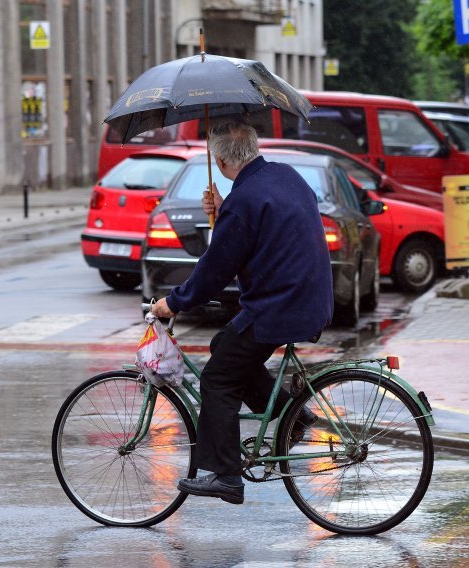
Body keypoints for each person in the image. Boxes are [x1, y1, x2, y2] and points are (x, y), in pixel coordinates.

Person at [151, 118, 333, 505]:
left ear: (218, 161)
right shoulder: (283, 175)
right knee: (226, 346)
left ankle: (226, 476)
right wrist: (225, 207)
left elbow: (215, 271)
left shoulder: (246, 200)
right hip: (306, 297)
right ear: (253, 148)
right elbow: (267, 224)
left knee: (217, 377)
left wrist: (174, 302)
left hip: (280, 305)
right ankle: (292, 416)